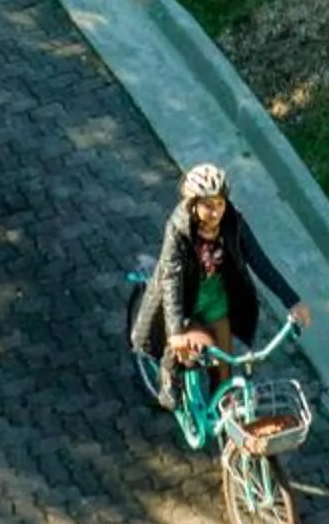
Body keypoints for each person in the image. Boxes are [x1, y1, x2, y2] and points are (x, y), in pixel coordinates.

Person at [131, 164, 307, 408]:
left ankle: (222, 422)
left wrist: (292, 301)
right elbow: (171, 280)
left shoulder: (233, 221)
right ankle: (168, 375)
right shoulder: (178, 228)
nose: (216, 213)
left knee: (223, 373)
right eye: (208, 205)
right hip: (185, 302)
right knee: (194, 350)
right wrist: (176, 334)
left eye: (220, 204)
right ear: (193, 205)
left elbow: (258, 260)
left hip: (216, 302)